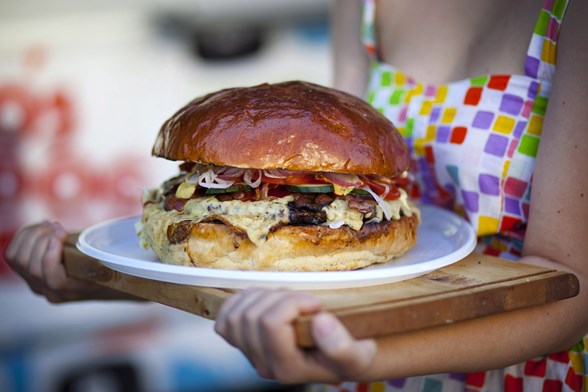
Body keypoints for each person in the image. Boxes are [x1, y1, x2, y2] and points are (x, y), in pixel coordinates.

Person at [5, 0, 588, 390]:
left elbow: (571, 293)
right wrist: (94, 281)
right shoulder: (362, 5)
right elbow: (310, 274)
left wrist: (362, 356)